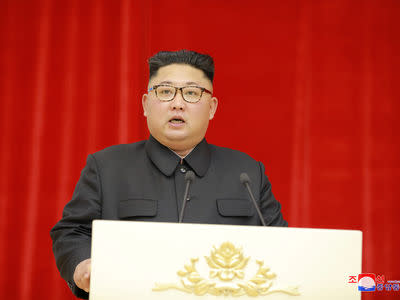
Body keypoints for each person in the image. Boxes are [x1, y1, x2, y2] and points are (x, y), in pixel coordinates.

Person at [50, 49, 288, 299]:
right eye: (165, 91)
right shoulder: (107, 166)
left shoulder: (247, 173)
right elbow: (72, 231)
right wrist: (82, 264)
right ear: (145, 104)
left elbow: (282, 247)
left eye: (192, 93)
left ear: (212, 108)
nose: (177, 103)